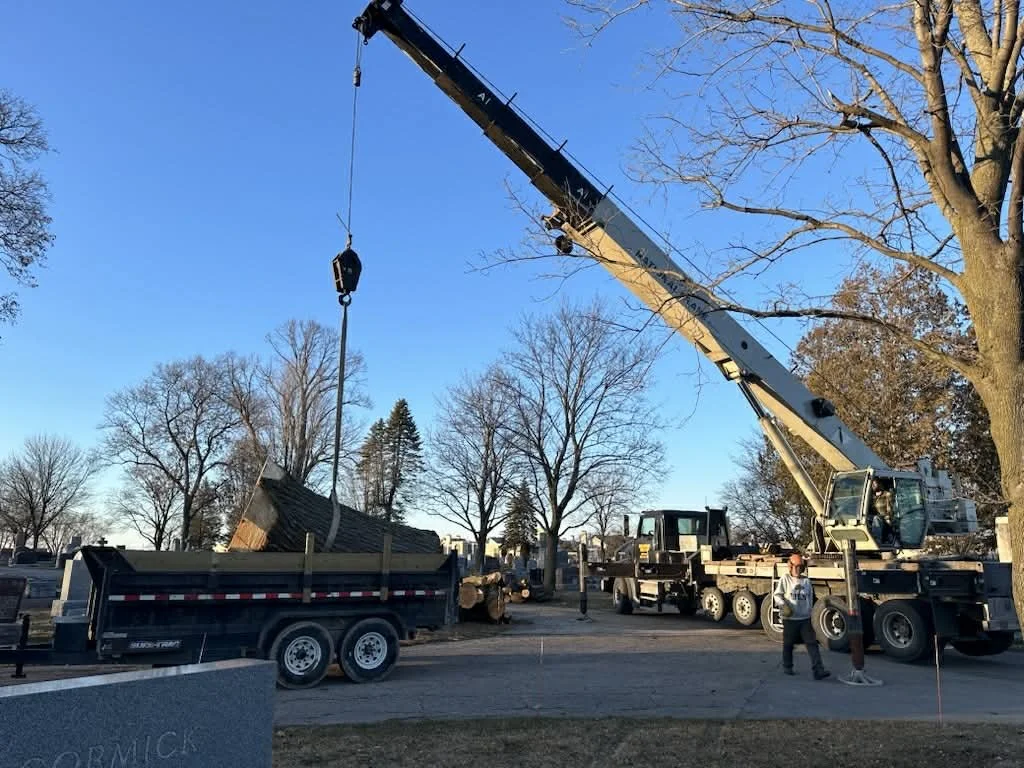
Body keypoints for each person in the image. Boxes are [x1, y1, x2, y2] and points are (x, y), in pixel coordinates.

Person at [773, 553, 830, 680]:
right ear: (790, 566)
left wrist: (811, 614)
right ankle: (787, 666)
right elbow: (777, 595)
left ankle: (818, 670)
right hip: (790, 619)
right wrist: (783, 606)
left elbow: (810, 599)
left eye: (801, 567)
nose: (799, 570)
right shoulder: (785, 579)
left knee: (812, 643)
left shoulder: (806, 581)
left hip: (804, 619)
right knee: (788, 644)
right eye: (797, 567)